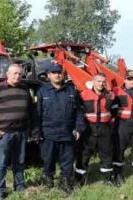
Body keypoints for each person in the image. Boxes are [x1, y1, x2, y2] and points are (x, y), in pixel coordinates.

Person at [33, 64, 85, 194]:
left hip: (67, 133)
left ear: (63, 74)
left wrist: (78, 128)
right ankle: (48, 181)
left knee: (67, 161)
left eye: (59, 72)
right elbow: (36, 114)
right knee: (48, 159)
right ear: (49, 75)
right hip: (48, 134)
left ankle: (66, 182)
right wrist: (36, 132)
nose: (57, 75)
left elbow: (79, 112)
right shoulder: (42, 91)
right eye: (54, 72)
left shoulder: (71, 91)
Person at [0, 64, 32, 200]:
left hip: (21, 133)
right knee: (1, 163)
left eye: (20, 74)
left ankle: (20, 186)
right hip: (4, 134)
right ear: (7, 74)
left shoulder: (25, 88)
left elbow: (29, 109)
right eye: (14, 73)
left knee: (20, 161)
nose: (17, 76)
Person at [75, 73, 115, 186]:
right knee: (84, 154)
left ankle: (108, 179)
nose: (101, 84)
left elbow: (114, 110)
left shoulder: (110, 95)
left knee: (106, 154)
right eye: (98, 81)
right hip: (89, 128)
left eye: (103, 82)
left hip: (105, 128)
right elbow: (79, 111)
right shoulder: (83, 95)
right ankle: (79, 180)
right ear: (93, 82)